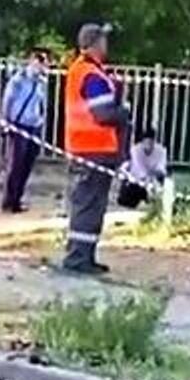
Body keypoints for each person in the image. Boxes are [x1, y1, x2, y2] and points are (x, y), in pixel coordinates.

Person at [61, 22, 128, 275]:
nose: (106, 45)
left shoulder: (87, 71)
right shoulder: (91, 74)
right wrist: (124, 112)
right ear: (94, 44)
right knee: (88, 205)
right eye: (103, 40)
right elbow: (103, 114)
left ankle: (84, 257)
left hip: (89, 148)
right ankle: (78, 259)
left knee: (92, 205)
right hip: (92, 149)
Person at [0, 47, 50, 214]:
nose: (42, 66)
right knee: (15, 165)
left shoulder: (41, 82)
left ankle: (17, 199)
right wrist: (5, 122)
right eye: (40, 61)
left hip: (33, 126)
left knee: (27, 164)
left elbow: (40, 104)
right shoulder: (19, 80)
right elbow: (8, 100)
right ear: (32, 60)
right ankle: (8, 201)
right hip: (18, 125)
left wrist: (40, 121)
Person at [117, 127, 171, 212]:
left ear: (154, 142)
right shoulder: (135, 150)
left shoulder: (161, 151)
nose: (148, 145)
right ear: (142, 142)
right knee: (125, 200)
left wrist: (153, 177)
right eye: (146, 142)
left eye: (151, 142)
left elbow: (161, 168)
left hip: (154, 181)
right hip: (137, 182)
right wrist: (145, 178)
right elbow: (138, 168)